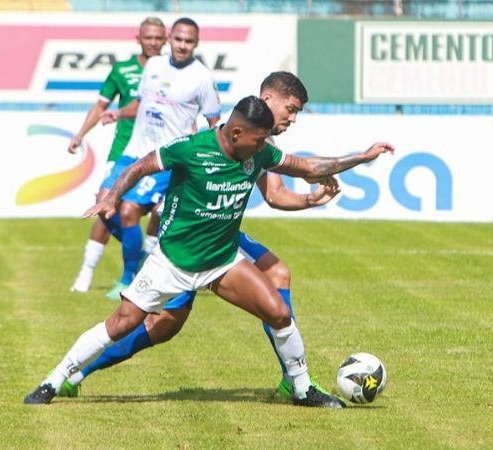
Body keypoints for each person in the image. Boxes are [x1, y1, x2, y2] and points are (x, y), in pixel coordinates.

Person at [24, 95, 394, 407]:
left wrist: (361, 158)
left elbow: (309, 167)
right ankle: (55, 380)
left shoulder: (260, 152)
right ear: (236, 132)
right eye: (259, 139)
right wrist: (110, 196)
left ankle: (301, 389)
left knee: (279, 312)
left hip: (221, 262)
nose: (264, 146)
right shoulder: (191, 150)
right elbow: (140, 166)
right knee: (124, 323)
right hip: (171, 263)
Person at [56, 72, 335, 401]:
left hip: (218, 234)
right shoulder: (243, 133)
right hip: (189, 237)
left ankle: (294, 378)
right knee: (160, 326)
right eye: (291, 109)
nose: (293, 117)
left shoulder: (260, 141)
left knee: (277, 274)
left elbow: (275, 195)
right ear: (268, 100)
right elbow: (165, 162)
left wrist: (308, 200)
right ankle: (76, 371)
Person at [97, 16, 221, 300]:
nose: (182, 46)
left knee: (128, 211)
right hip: (133, 151)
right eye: (178, 39)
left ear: (196, 43)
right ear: (169, 38)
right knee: (103, 205)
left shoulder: (202, 78)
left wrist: (212, 160)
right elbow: (140, 104)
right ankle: (142, 251)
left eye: (189, 42)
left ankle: (129, 278)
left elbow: (215, 124)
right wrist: (118, 112)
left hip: (164, 158)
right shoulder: (153, 65)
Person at [68, 17, 167, 293]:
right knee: (104, 206)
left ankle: (135, 269)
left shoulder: (169, 71)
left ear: (165, 40)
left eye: (159, 38)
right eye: (149, 37)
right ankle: (89, 271)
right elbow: (101, 105)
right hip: (124, 149)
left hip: (157, 152)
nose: (154, 43)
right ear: (138, 39)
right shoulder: (122, 70)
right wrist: (80, 134)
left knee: (141, 211)